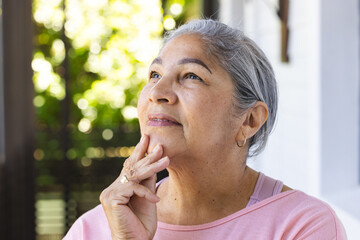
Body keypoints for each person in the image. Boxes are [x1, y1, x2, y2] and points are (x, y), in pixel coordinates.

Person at [64, 19, 346, 240]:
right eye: (154, 75)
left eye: (191, 76)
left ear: (249, 120)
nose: (156, 92)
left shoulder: (302, 226)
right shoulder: (96, 228)